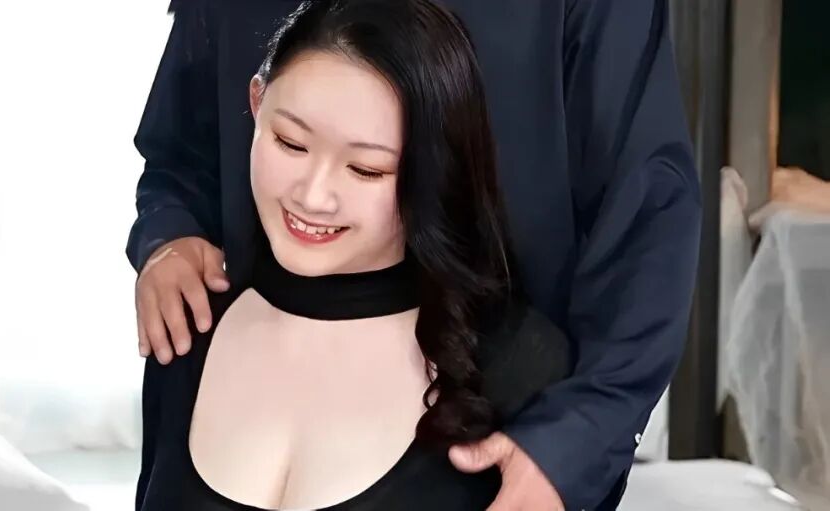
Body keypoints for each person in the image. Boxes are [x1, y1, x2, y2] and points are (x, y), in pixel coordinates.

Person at [129, 0, 702, 509]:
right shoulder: (195, 346)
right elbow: (181, 146)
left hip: (496, 392)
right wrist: (169, 235)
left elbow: (646, 208)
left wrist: (576, 437)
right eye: (291, 142)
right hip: (252, 343)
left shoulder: (524, 366)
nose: (316, 195)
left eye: (367, 168)